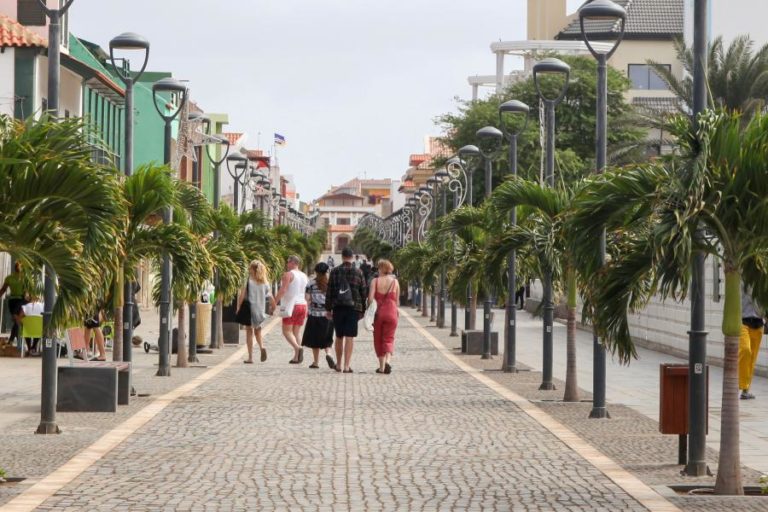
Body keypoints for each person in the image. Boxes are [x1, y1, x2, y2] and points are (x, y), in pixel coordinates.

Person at [326, 247, 367, 373]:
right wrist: (362, 310)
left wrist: (328, 309)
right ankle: (347, 366)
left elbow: (330, 291)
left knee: (339, 336)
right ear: (352, 257)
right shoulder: (358, 272)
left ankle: (338, 364)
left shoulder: (334, 271)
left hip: (338, 307)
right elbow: (363, 292)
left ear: (343, 257)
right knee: (350, 336)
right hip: (353, 308)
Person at [237, 260, 276, 364]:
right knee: (258, 332)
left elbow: (241, 296)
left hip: (249, 310)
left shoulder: (248, 281)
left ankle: (250, 357)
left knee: (249, 333)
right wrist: (273, 307)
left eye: (250, 268)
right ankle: (262, 347)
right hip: (260, 311)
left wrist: (238, 307)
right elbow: (271, 297)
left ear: (252, 269)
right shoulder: (265, 282)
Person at [274, 255, 309, 364]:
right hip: (302, 305)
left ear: (293, 263)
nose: (287, 264)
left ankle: (298, 348)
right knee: (296, 332)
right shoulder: (304, 276)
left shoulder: (288, 274)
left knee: (286, 331)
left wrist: (274, 302)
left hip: (291, 306)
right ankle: (296, 357)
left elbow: (283, 290)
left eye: (288, 262)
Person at [302, 262, 336, 369]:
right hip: (327, 315)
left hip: (314, 315)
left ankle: (316, 362)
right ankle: (329, 354)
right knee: (327, 338)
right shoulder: (331, 283)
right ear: (326, 272)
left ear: (316, 272)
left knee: (314, 339)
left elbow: (307, 299)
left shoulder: (311, 284)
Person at [369, 259, 400, 374]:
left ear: (381, 269)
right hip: (392, 313)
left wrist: (369, 310)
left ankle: (381, 367)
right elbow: (397, 301)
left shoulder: (375, 281)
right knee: (389, 338)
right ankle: (388, 361)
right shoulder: (395, 282)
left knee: (378, 339)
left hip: (378, 314)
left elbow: (371, 299)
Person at [739, 285, 764, 399]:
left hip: (758, 323)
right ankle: (740, 382)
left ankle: (745, 389)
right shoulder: (740, 280)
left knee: (752, 358)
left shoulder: (761, 280)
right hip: (743, 321)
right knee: (745, 350)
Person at [0, 262, 26, 345]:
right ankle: (16, 341)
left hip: (14, 301)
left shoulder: (10, 278)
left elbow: (3, 289)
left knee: (17, 320)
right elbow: (3, 289)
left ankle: (12, 340)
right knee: (17, 320)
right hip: (20, 301)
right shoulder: (24, 278)